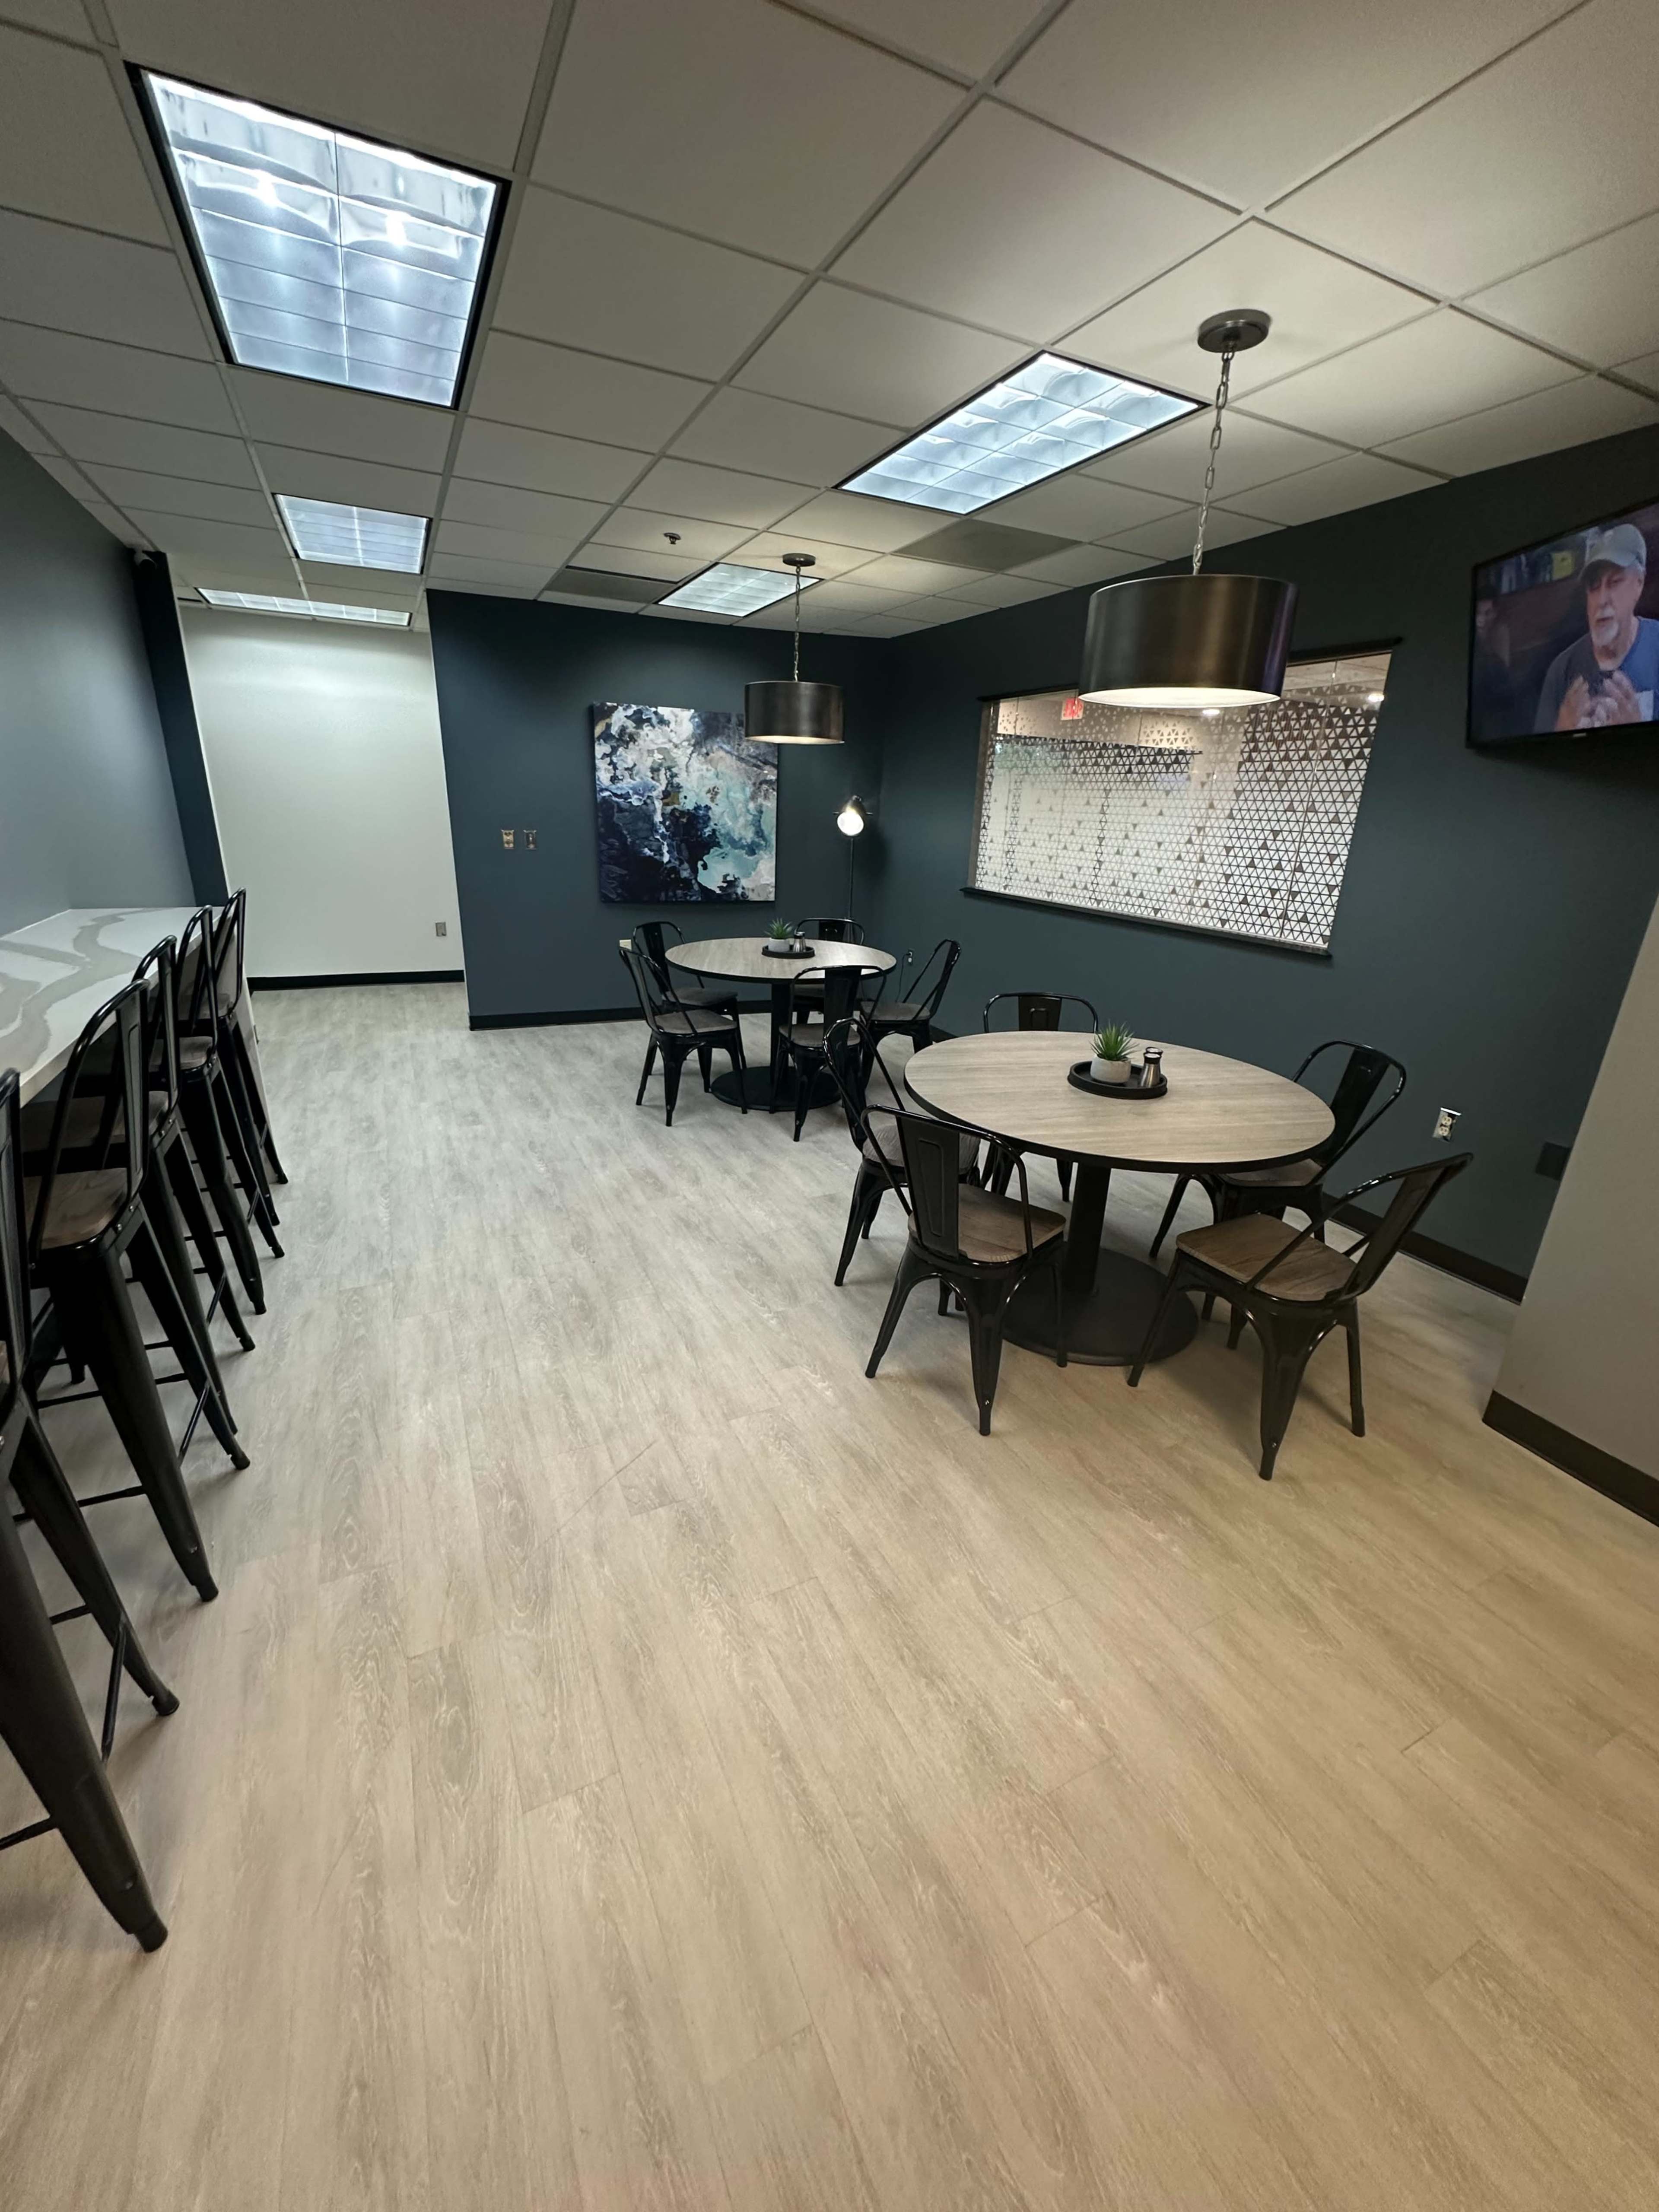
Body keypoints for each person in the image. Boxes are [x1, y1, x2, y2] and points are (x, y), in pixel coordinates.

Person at [1533, 522, 1659, 732]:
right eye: (1594, 587)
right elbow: (1536, 755)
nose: (1602, 600)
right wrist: (1561, 730)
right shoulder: (1562, 669)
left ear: (1639, 583)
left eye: (1614, 582)